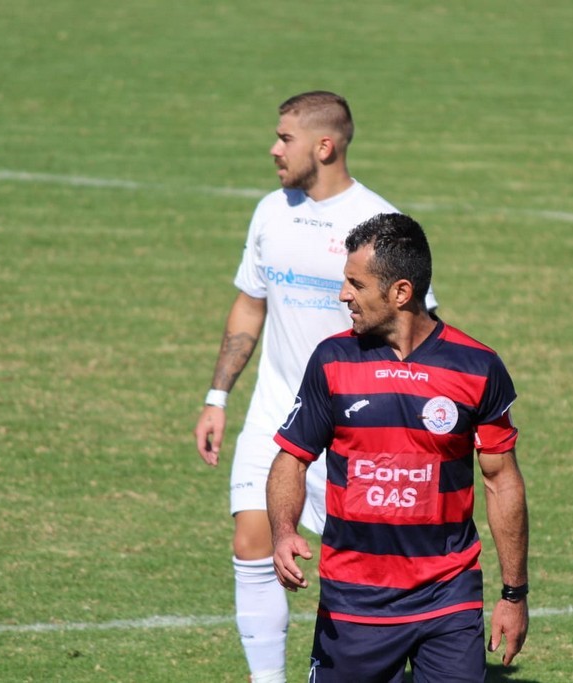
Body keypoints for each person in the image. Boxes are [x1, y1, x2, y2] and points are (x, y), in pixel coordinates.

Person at [193, 92, 438, 683]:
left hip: (355, 420)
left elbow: (418, 328)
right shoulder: (270, 212)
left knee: (363, 564)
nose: (274, 149)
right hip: (276, 410)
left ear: (324, 146)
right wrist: (217, 397)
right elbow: (250, 305)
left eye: (285, 138)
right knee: (251, 537)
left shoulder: (379, 224)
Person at [267, 213, 529, 682]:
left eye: (356, 284)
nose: (343, 295)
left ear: (401, 292)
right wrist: (284, 532)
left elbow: (501, 479)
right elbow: (293, 457)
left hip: (448, 599)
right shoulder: (332, 360)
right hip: (353, 601)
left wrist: (514, 594)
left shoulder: (477, 367)